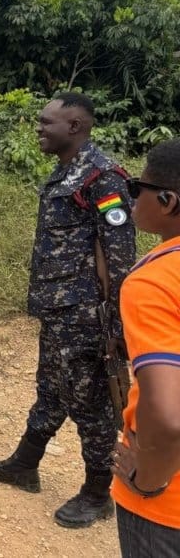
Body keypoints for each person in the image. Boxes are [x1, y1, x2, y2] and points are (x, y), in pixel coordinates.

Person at [0, 93, 136, 529]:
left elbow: (119, 259)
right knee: (50, 388)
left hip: (85, 316)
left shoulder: (103, 178)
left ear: (75, 126)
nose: (39, 128)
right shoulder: (65, 172)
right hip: (58, 310)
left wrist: (116, 325)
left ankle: (98, 493)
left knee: (90, 404)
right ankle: (24, 464)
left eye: (47, 122)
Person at [110, 139, 180, 555]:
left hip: (168, 508)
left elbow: (169, 417)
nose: (131, 198)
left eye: (138, 188)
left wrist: (149, 480)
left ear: (168, 201)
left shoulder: (155, 281)